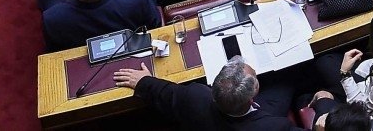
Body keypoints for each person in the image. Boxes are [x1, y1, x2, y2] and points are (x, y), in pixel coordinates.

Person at [114, 57, 293, 129]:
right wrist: (322, 104)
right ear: (254, 93)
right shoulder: (275, 125)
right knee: (287, 83)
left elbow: (165, 93)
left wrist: (144, 81)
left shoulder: (195, 97)